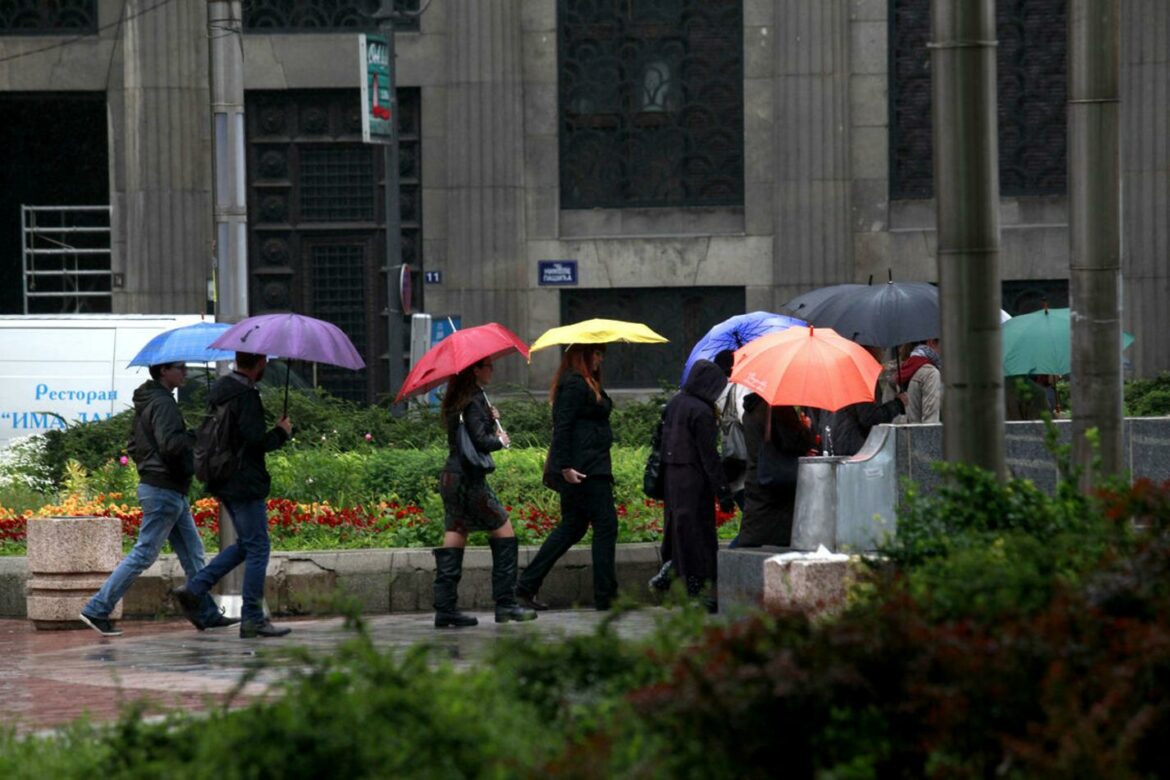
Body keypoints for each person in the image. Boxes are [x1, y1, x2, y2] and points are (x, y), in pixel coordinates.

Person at [80, 363, 237, 637]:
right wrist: (198, 434)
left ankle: (206, 613)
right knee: (144, 554)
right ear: (164, 371)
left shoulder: (149, 401)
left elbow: (134, 445)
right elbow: (172, 446)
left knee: (193, 553)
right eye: (180, 368)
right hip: (163, 489)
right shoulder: (163, 403)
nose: (186, 373)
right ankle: (97, 608)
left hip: (168, 488)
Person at [173, 351, 292, 639]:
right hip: (243, 481)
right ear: (261, 362)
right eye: (264, 362)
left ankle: (196, 587)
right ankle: (252, 617)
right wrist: (281, 432)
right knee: (259, 547)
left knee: (246, 545)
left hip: (223, 479)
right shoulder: (245, 396)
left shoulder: (221, 391)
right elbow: (255, 442)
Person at [432, 360, 537, 627]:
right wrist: (500, 440)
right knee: (504, 529)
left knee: (456, 532)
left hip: (451, 477)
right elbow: (480, 441)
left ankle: (445, 609)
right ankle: (506, 604)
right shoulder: (474, 399)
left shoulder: (457, 399)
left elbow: (465, 435)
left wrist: (489, 419)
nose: (493, 369)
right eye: (488, 366)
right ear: (475, 370)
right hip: (470, 480)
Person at [517, 344, 618, 611]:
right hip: (585, 470)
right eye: (596, 352)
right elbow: (562, 427)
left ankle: (526, 586)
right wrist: (564, 468)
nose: (600, 358)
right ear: (582, 354)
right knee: (605, 526)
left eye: (601, 353)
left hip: (589, 466)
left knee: (573, 526)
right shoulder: (574, 384)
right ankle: (606, 596)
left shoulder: (586, 382)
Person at [659, 359, 734, 611]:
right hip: (695, 481)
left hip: (673, 478)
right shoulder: (701, 411)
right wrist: (723, 491)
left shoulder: (674, 404)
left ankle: (679, 580)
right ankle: (702, 591)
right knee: (700, 536)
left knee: (679, 533)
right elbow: (708, 455)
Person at [737, 395, 818, 548]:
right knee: (776, 541)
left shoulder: (750, 409)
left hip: (757, 476)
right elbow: (793, 441)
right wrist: (805, 428)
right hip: (777, 485)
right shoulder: (779, 409)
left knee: (754, 537)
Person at [820, 345, 908, 456]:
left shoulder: (840, 373)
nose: (883, 353)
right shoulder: (863, 376)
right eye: (881, 348)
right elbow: (869, 418)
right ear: (871, 350)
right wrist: (897, 404)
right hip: (855, 449)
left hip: (835, 445)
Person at [897, 338, 942, 423]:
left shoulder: (903, 369)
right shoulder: (930, 374)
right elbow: (931, 423)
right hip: (921, 435)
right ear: (931, 342)